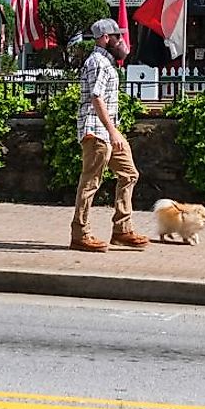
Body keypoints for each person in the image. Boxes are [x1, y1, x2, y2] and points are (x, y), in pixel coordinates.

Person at [71, 19, 147, 252]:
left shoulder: (106, 62)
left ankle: (122, 230)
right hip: (96, 131)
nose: (122, 41)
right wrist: (113, 132)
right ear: (105, 38)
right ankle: (80, 234)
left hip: (107, 130)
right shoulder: (98, 63)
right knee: (90, 181)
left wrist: (113, 131)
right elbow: (96, 97)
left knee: (129, 173)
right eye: (117, 36)